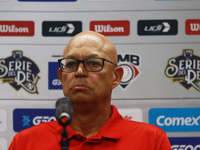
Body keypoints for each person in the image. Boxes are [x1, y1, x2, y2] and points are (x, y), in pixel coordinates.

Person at [8, 31, 172, 150]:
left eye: (93, 63)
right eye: (71, 64)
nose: (79, 72)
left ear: (116, 77)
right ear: (61, 76)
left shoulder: (152, 140)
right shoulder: (25, 142)